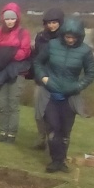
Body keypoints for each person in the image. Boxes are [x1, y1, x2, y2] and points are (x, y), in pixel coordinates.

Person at [33, 17, 94, 173]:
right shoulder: (52, 45)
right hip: (50, 94)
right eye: (67, 36)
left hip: (70, 96)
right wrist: (43, 77)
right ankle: (55, 160)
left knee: (65, 130)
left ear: (79, 37)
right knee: (53, 128)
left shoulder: (85, 51)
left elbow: (91, 73)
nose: (70, 40)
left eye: (73, 37)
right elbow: (38, 62)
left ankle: (61, 161)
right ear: (63, 35)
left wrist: (79, 85)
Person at [0, 2, 31, 143]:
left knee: (13, 103)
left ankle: (11, 133)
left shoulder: (23, 33)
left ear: (17, 18)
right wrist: (9, 53)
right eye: (7, 18)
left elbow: (24, 52)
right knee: (1, 103)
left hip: (16, 72)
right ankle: (2, 131)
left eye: (12, 18)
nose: (10, 21)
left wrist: (5, 54)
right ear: (3, 19)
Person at [31, 8, 65, 150]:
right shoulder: (40, 37)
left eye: (54, 22)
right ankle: (41, 139)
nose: (51, 25)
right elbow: (36, 58)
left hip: (59, 81)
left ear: (60, 23)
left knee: (55, 115)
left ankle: (54, 142)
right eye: (49, 23)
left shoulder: (65, 38)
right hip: (41, 78)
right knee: (39, 113)